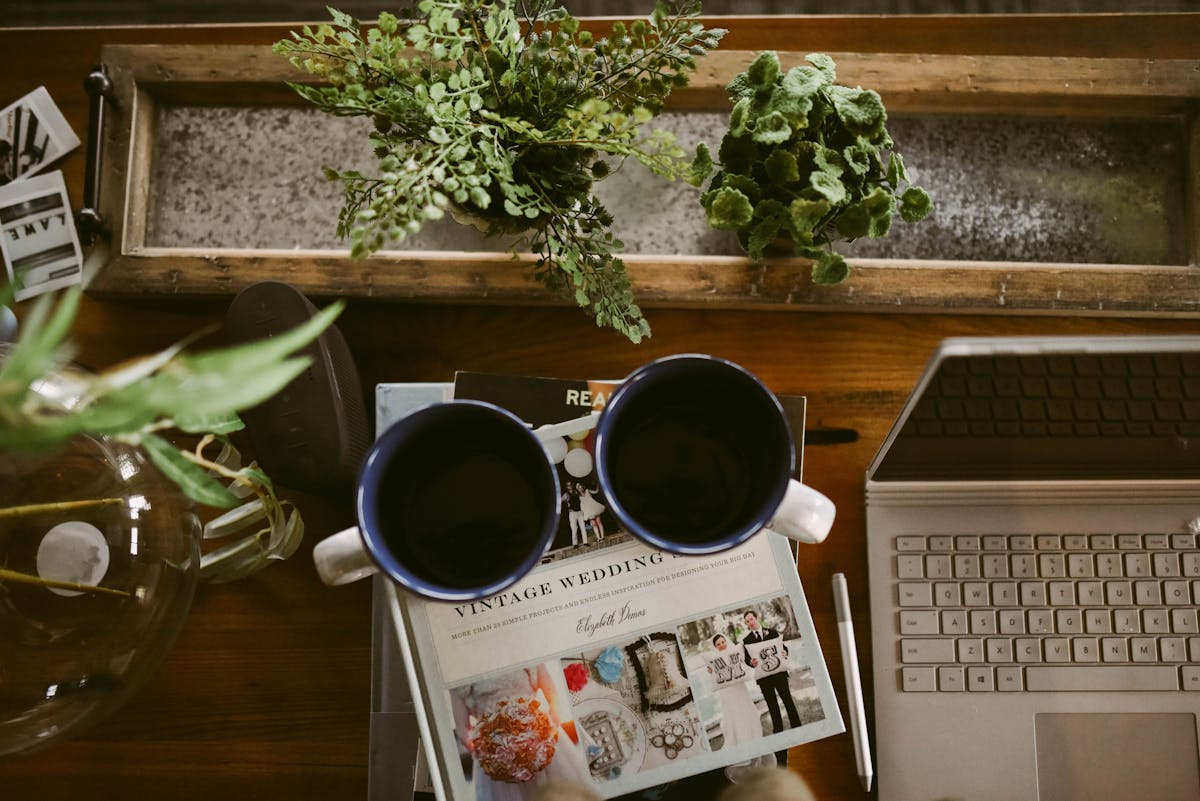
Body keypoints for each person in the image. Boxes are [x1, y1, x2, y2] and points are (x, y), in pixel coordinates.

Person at [741, 610, 800, 736]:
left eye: (751, 619)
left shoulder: (772, 632)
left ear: (757, 617)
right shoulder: (746, 640)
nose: (750, 622)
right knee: (772, 706)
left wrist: (784, 652)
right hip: (764, 680)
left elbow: (783, 648)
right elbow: (746, 659)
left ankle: (797, 726)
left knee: (788, 700)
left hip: (779, 675)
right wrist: (751, 662)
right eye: (747, 621)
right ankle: (778, 732)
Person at [707, 634, 760, 749]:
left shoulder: (734, 652)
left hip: (739, 687)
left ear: (726, 641)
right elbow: (714, 675)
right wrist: (710, 670)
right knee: (733, 711)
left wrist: (742, 661)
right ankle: (739, 736)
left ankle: (750, 732)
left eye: (723, 642)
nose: (722, 645)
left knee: (744, 707)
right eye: (718, 644)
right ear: (715, 646)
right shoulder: (714, 658)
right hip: (727, 691)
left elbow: (743, 667)